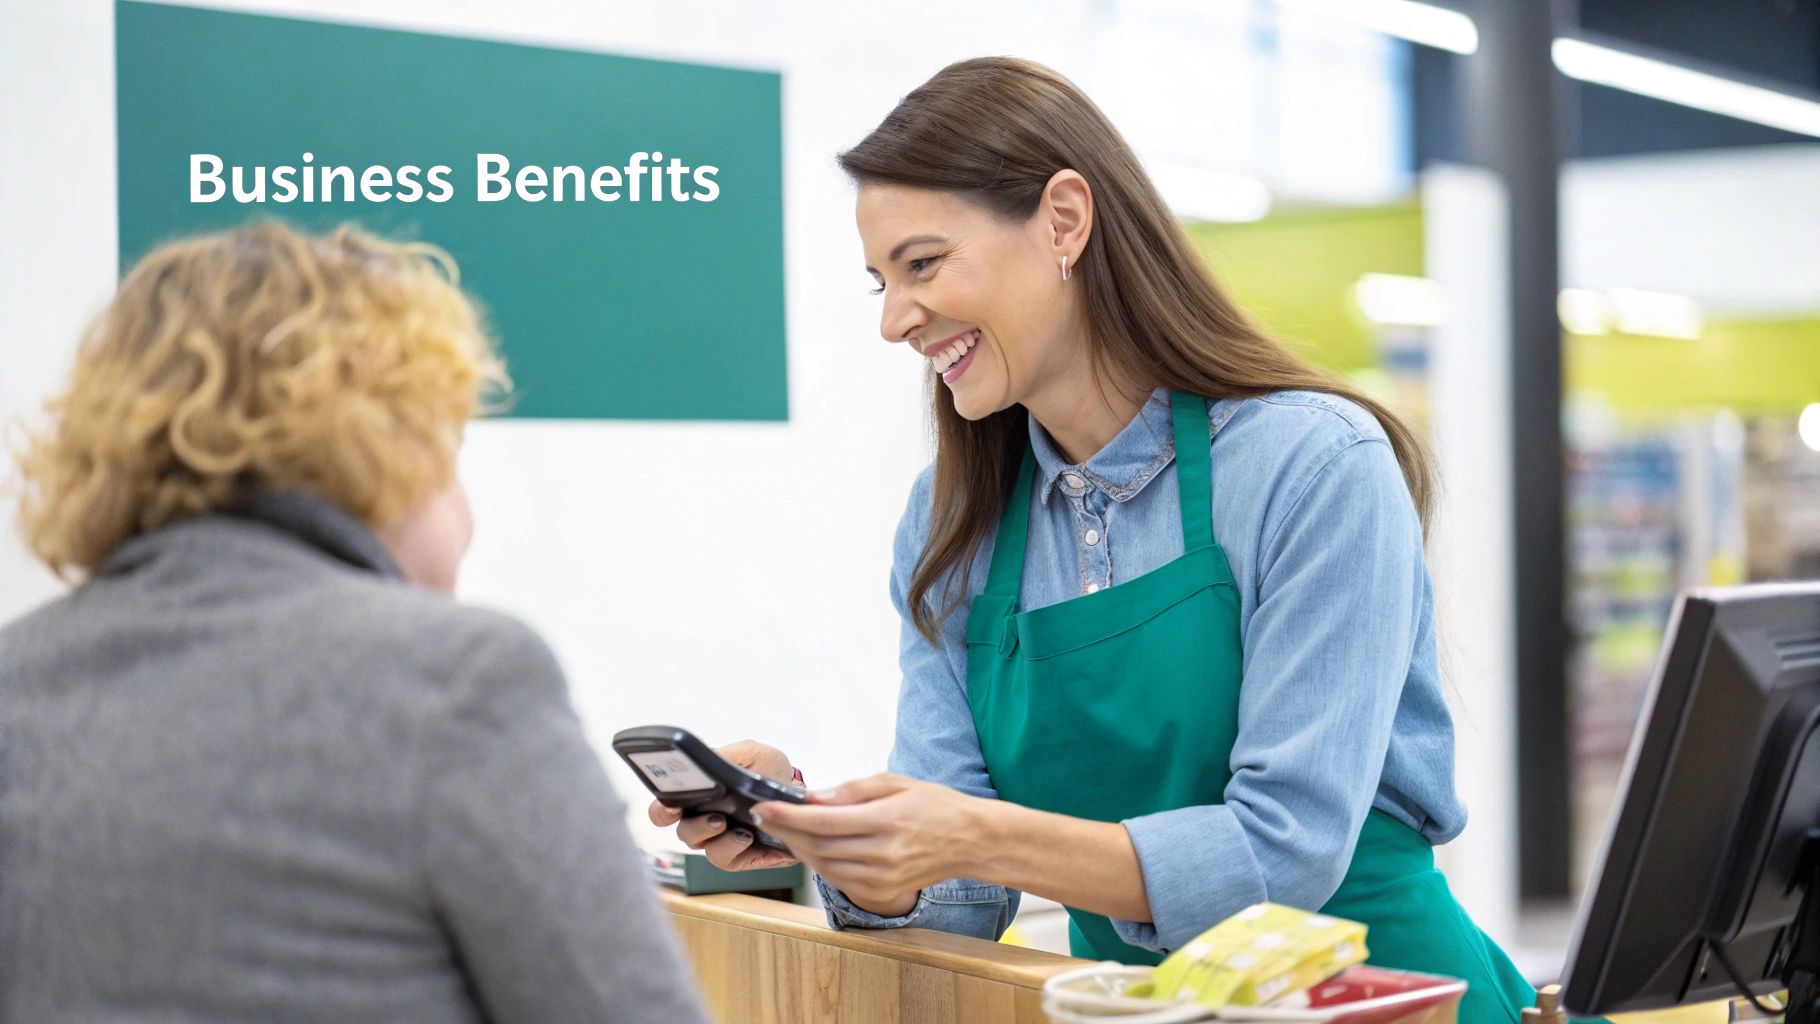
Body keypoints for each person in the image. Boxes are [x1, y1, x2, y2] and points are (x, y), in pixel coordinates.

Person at [651, 56, 1561, 1023]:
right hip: (1131, 1007)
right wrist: (830, 833)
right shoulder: (951, 523)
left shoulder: (1312, 464)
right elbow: (958, 906)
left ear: (1064, 221)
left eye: (922, 265)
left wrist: (971, 834)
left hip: (1385, 1000)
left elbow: (1283, 853)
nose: (893, 320)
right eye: (880, 280)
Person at [0, 222, 710, 1024]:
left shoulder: (16, 679)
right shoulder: (456, 681)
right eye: (450, 455)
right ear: (386, 454)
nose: (467, 517)